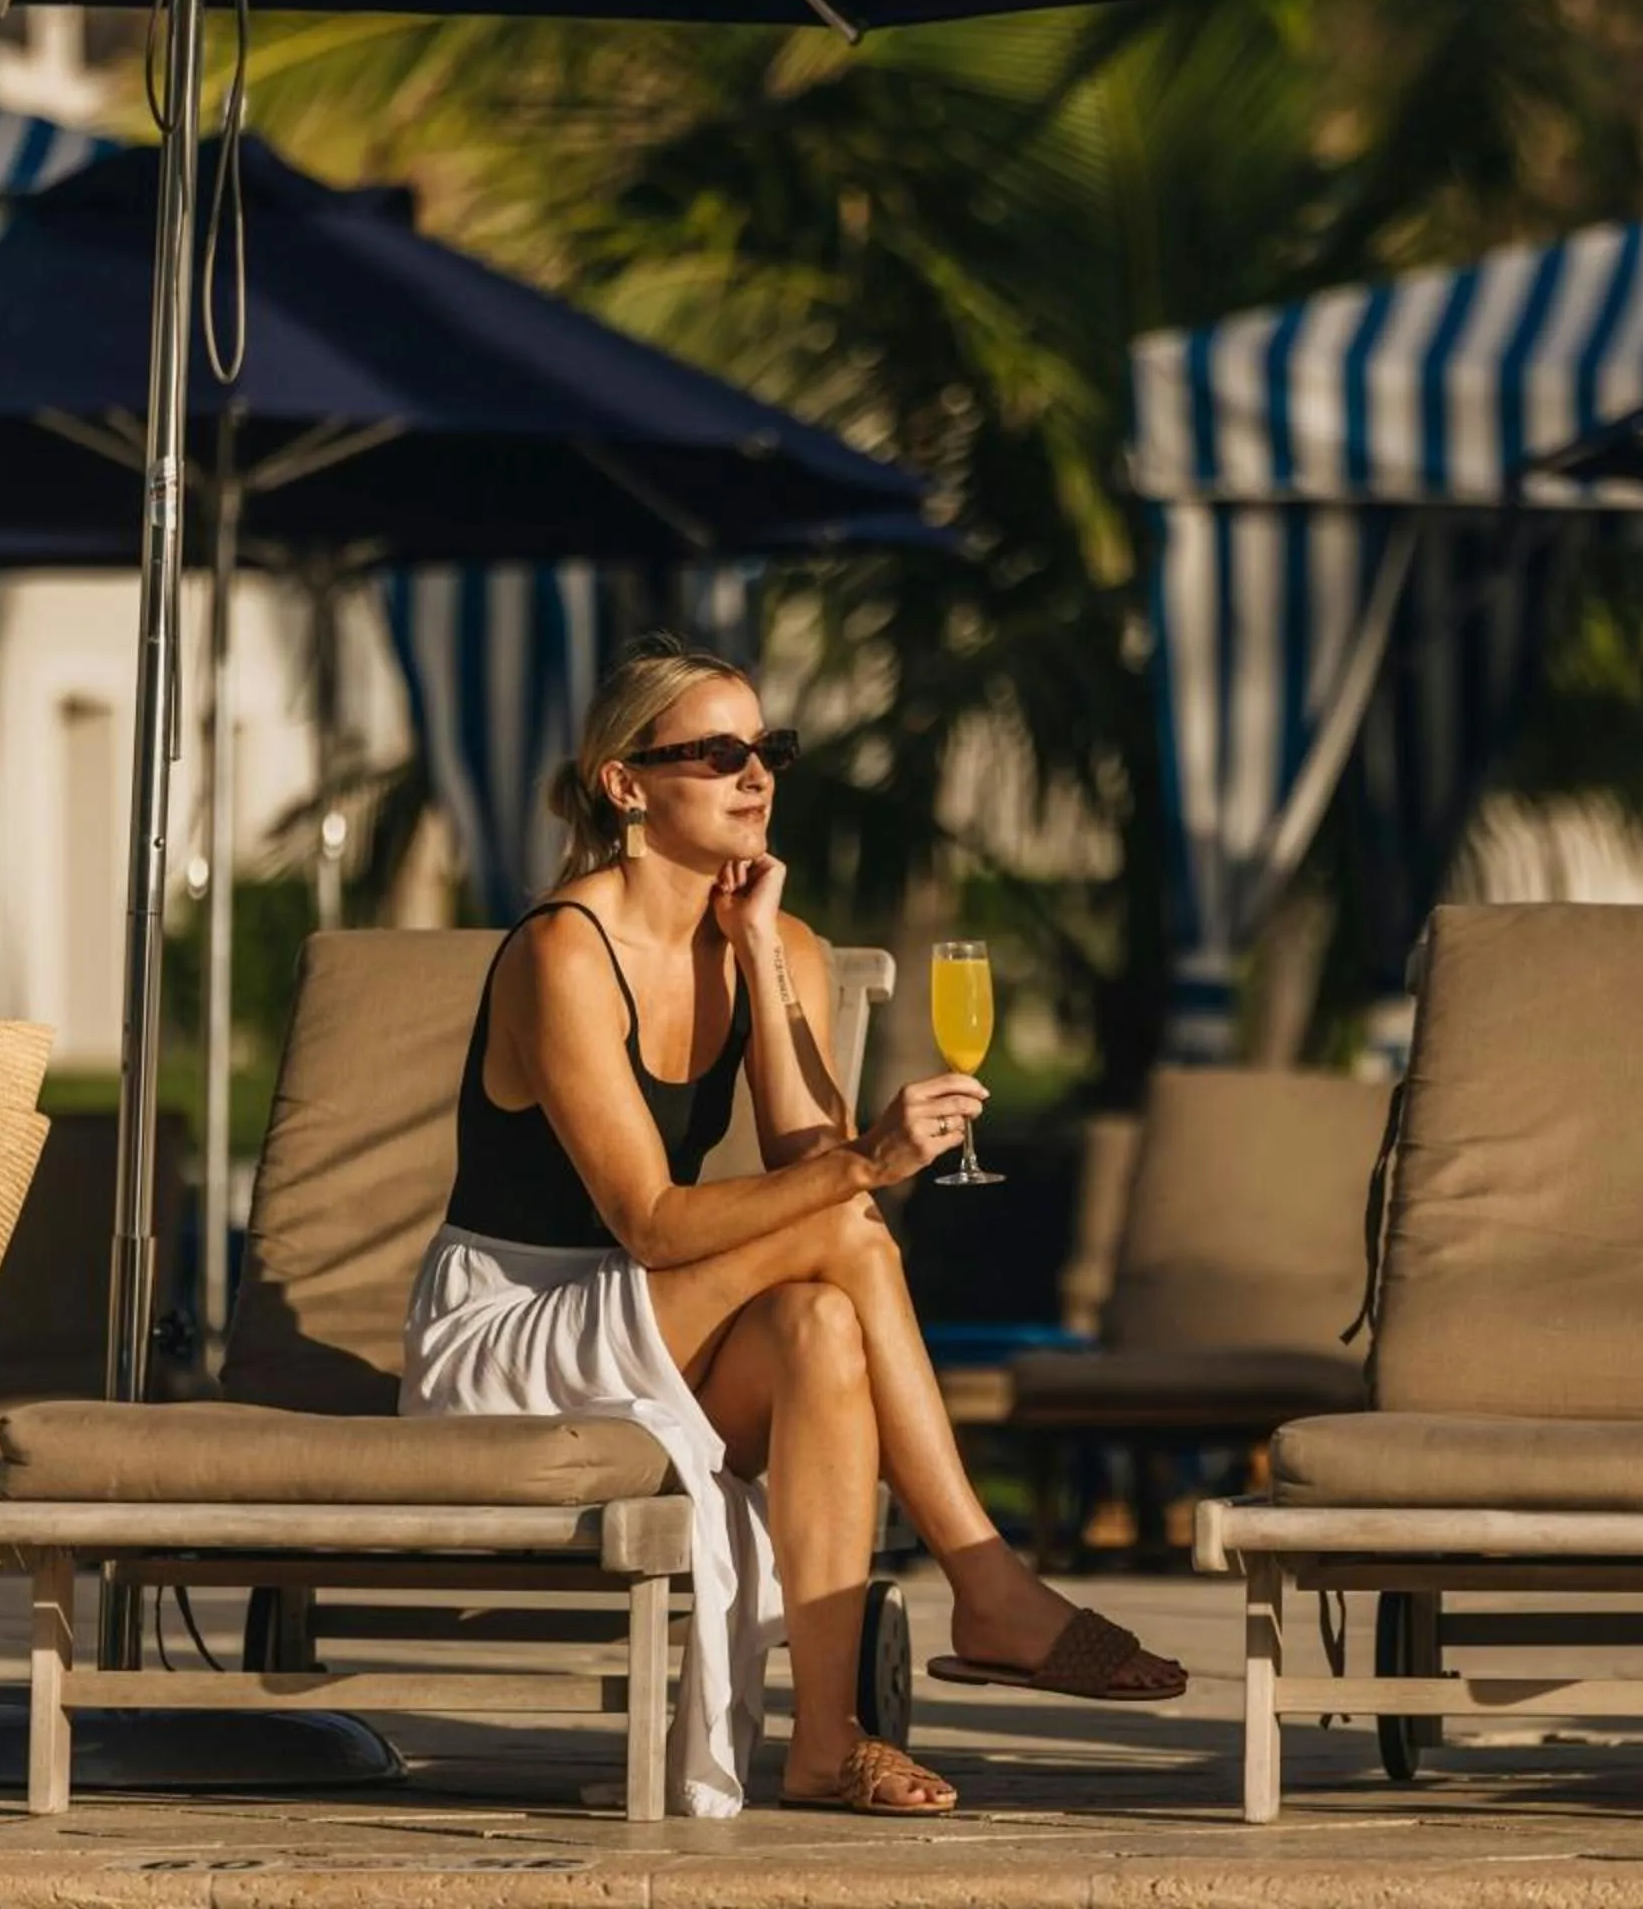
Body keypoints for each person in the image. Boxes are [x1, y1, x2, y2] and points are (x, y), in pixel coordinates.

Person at [401, 639, 1183, 1820]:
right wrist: (868, 1159)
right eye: (716, 752)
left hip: (642, 1315)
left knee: (823, 1315)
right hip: (511, 1335)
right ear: (625, 783)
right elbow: (655, 1222)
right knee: (854, 1237)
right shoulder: (564, 948)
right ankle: (987, 1575)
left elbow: (808, 1172)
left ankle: (829, 1740)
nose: (753, 772)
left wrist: (763, 957)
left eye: (767, 748)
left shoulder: (782, 940)